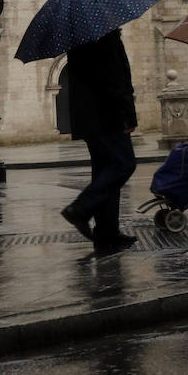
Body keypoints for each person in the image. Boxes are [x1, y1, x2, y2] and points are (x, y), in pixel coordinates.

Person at [61, 27, 139, 253]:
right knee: (123, 164)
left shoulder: (77, 36)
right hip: (108, 116)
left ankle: (107, 234)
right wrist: (128, 115)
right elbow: (116, 78)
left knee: (105, 170)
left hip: (88, 118)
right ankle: (80, 208)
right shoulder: (106, 34)